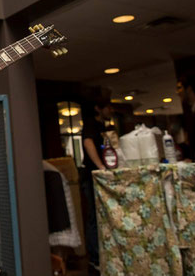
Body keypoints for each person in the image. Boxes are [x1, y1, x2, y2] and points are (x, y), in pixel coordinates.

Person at [80, 98, 114, 274]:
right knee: (93, 217)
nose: (111, 109)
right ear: (97, 107)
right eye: (107, 106)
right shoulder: (91, 124)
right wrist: (100, 167)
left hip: (103, 176)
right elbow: (88, 142)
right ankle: (94, 259)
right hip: (92, 176)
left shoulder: (105, 126)